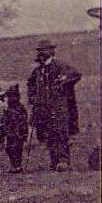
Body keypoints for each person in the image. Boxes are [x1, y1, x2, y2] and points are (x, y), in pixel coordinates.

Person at [27, 40, 81, 172]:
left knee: (61, 132)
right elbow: (31, 84)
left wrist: (63, 83)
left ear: (51, 51)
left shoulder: (60, 65)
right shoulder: (38, 70)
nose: (41, 53)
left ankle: (63, 161)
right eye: (39, 50)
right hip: (43, 107)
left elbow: (75, 74)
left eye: (44, 50)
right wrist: (33, 97)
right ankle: (54, 160)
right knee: (48, 134)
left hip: (59, 106)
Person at [0, 84, 29, 173]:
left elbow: (24, 122)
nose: (11, 99)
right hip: (10, 133)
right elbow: (5, 120)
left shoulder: (20, 108)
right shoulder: (8, 109)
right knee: (9, 149)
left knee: (17, 150)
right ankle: (14, 165)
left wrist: (24, 133)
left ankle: (17, 165)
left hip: (18, 133)